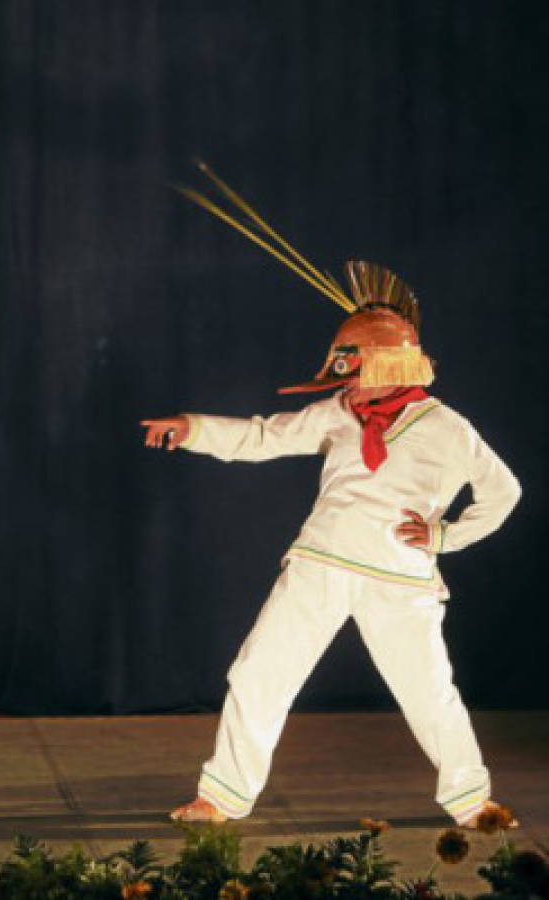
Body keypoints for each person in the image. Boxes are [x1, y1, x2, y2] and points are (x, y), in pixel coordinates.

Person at [142, 261, 520, 829]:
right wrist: (193, 429)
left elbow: (503, 491)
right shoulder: (340, 412)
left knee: (428, 691)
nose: (346, 379)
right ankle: (222, 796)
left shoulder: (448, 428)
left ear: (393, 362)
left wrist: (445, 535)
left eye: (355, 365)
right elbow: (265, 435)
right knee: (257, 672)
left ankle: (472, 800)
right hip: (320, 561)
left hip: (398, 578)